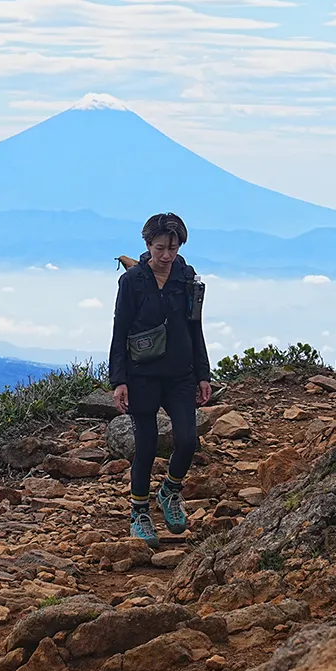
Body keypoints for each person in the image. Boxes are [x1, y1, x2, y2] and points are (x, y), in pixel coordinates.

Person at [107, 212, 212, 547]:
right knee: (147, 445)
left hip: (180, 375)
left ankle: (170, 491)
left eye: (173, 247)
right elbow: (120, 331)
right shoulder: (133, 281)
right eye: (159, 247)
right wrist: (118, 380)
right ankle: (139, 512)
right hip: (142, 376)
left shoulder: (187, 278)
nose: (166, 255)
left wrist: (203, 374)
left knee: (187, 440)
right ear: (147, 245)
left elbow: (196, 328)